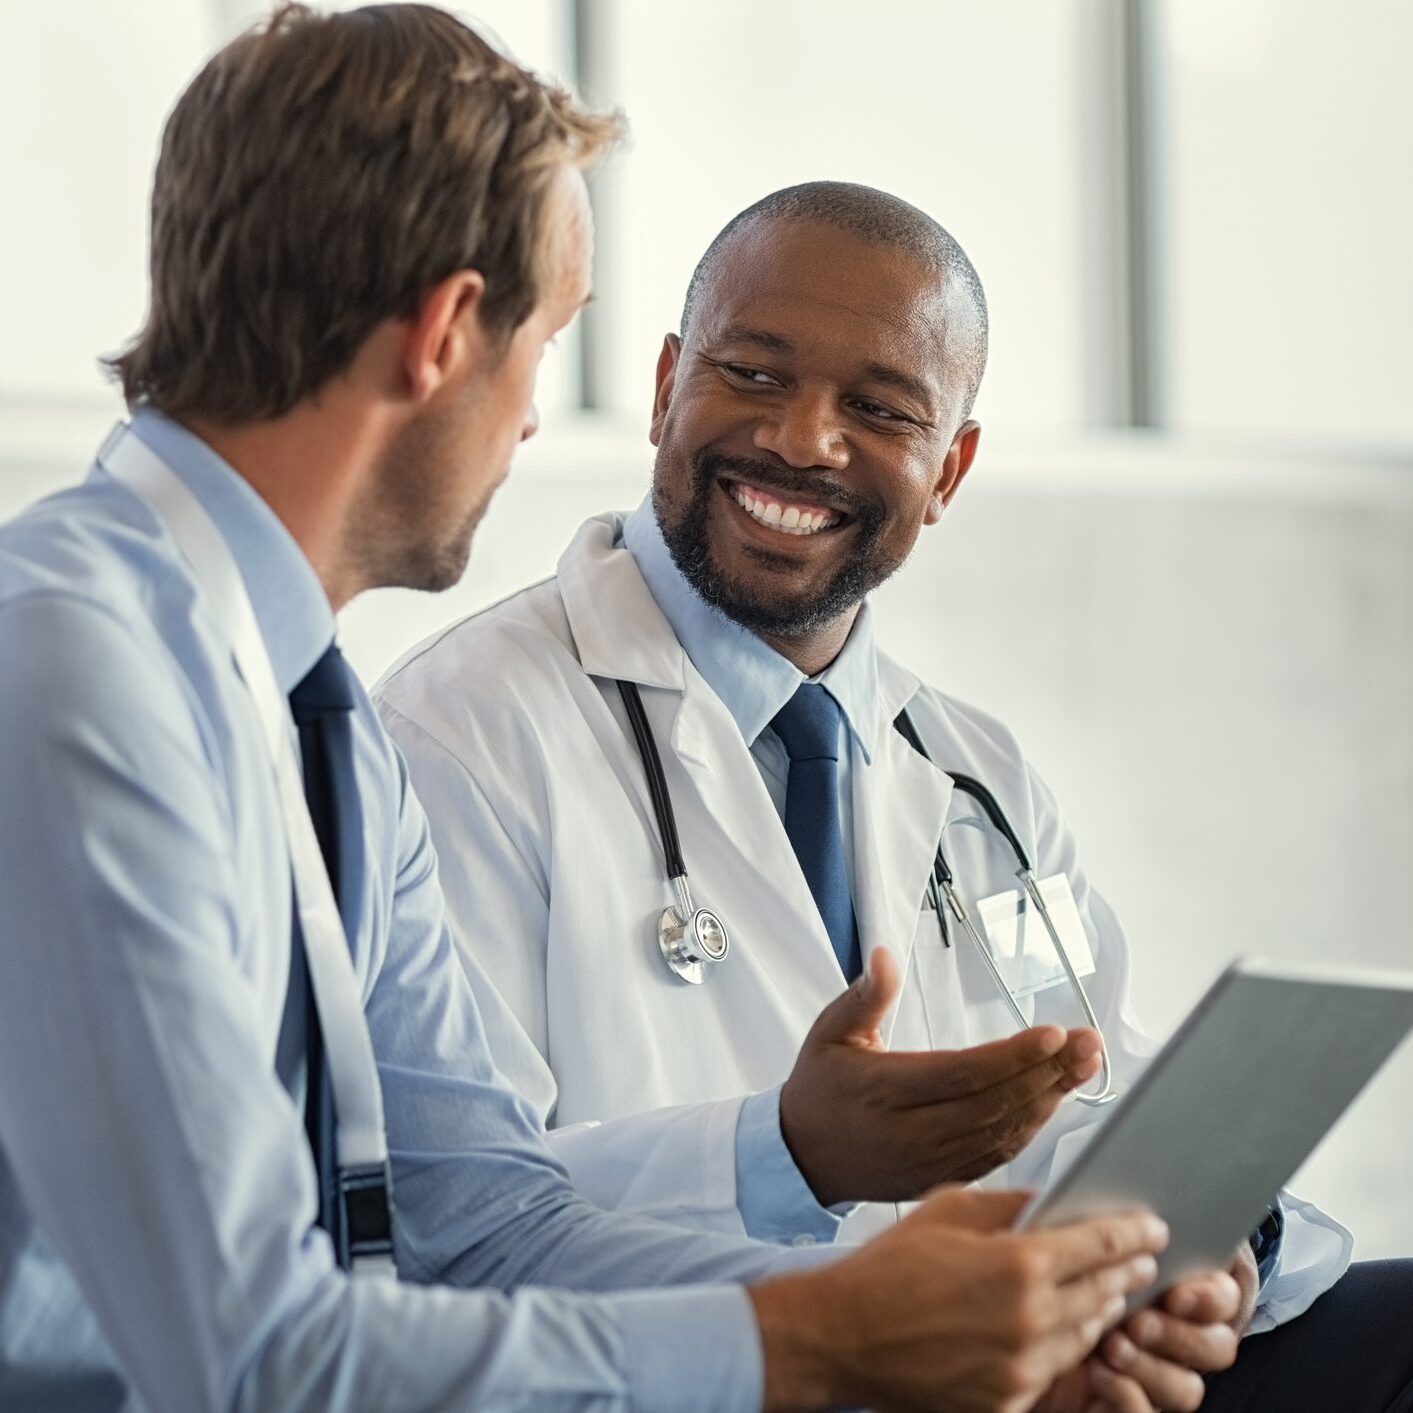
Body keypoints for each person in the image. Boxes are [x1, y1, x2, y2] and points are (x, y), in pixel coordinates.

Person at [0, 7, 1198, 1412]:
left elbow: (486, 1224)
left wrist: (928, 1303)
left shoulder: (304, 720)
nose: (527, 426)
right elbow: (256, 1355)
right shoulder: (81, 679)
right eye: (548, 342)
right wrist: (829, 1342)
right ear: (449, 332)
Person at [375, 180, 1413, 1411]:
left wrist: (1208, 1254)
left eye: (878, 408)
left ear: (950, 467)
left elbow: (1095, 1090)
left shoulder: (977, 780)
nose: (804, 440)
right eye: (754, 375)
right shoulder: (458, 734)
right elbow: (450, 1223)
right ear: (665, 389)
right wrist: (786, 1154)